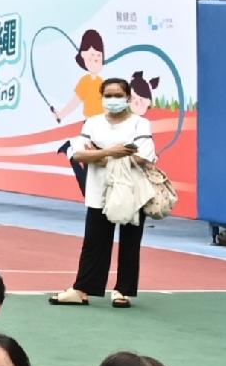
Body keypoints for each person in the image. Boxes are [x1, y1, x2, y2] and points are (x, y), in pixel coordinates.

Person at [56, 74, 162, 309]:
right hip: (98, 192)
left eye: (118, 95)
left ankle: (123, 291)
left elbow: (143, 157)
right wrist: (112, 152)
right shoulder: (92, 123)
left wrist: (100, 153)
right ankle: (82, 289)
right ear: (101, 97)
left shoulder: (140, 123)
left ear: (128, 97)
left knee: (130, 242)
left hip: (131, 192)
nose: (113, 99)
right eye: (108, 95)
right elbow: (78, 154)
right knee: (94, 241)